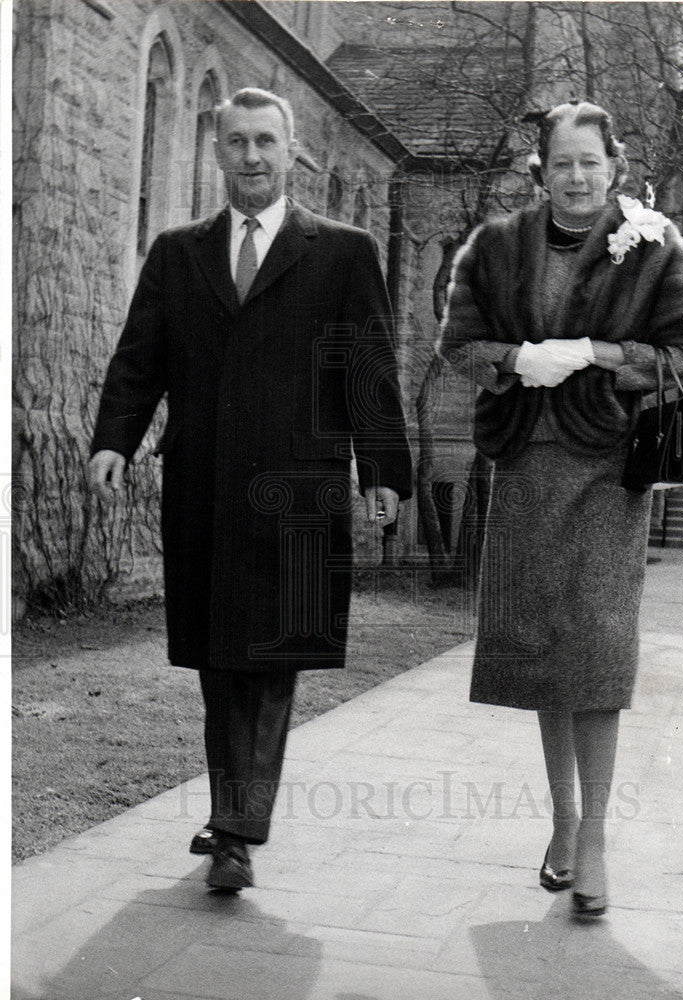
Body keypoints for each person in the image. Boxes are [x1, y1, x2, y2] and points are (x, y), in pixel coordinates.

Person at [88, 88, 412, 891]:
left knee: (273, 654)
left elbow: (366, 367)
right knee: (218, 660)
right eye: (236, 142)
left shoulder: (341, 252)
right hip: (204, 484)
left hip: (299, 491)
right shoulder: (178, 252)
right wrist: (112, 441)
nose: (252, 157)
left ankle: (234, 827)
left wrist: (383, 475)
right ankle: (233, 823)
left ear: (291, 149)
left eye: (265, 141)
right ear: (218, 150)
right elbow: (140, 359)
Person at [438, 101, 683, 918]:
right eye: (560, 162)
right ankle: (561, 823)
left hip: (606, 472)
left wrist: (599, 353)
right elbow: (457, 341)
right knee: (538, 649)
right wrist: (516, 358)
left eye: (589, 162)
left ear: (613, 165)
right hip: (525, 464)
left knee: (594, 650)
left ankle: (593, 839)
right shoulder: (493, 246)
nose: (576, 177)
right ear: (540, 170)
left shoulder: (656, 244)